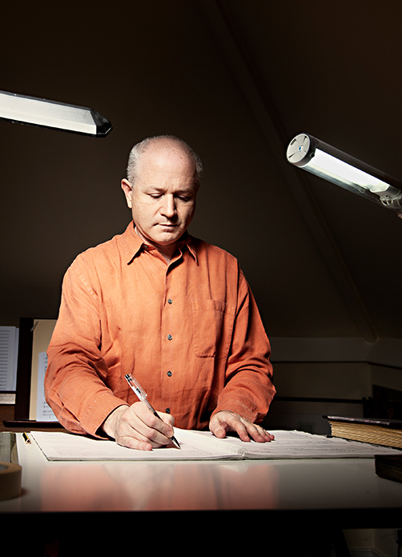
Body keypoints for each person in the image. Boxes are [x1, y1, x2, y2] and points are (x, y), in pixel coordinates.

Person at [45, 135, 275, 450]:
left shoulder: (228, 270)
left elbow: (251, 363)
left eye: (183, 196)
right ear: (128, 193)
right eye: (155, 195)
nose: (170, 210)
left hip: (208, 456)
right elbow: (68, 366)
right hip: (119, 453)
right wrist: (114, 418)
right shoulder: (89, 270)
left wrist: (233, 409)